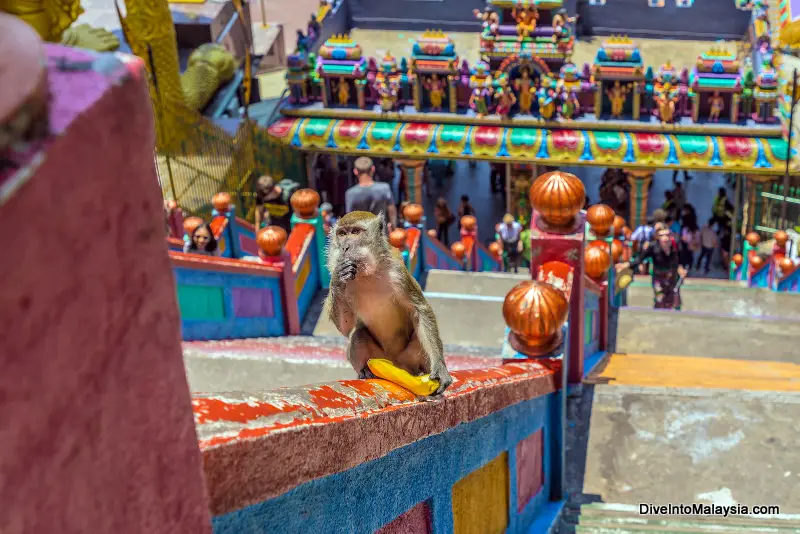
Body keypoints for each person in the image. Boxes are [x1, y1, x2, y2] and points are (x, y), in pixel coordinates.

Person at [620, 223, 687, 310]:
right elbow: (640, 259)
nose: (665, 238)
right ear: (658, 237)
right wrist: (627, 264)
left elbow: (682, 259)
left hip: (672, 276)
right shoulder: (653, 246)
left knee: (673, 300)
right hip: (658, 276)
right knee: (660, 299)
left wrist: (681, 268)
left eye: (667, 235)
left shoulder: (676, 245)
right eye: (662, 235)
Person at [345, 156, 398, 231]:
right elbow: (392, 211)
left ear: (355, 171)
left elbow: (349, 219)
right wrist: (393, 227)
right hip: (380, 236)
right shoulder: (384, 188)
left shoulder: (351, 193)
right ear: (373, 169)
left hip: (361, 238)